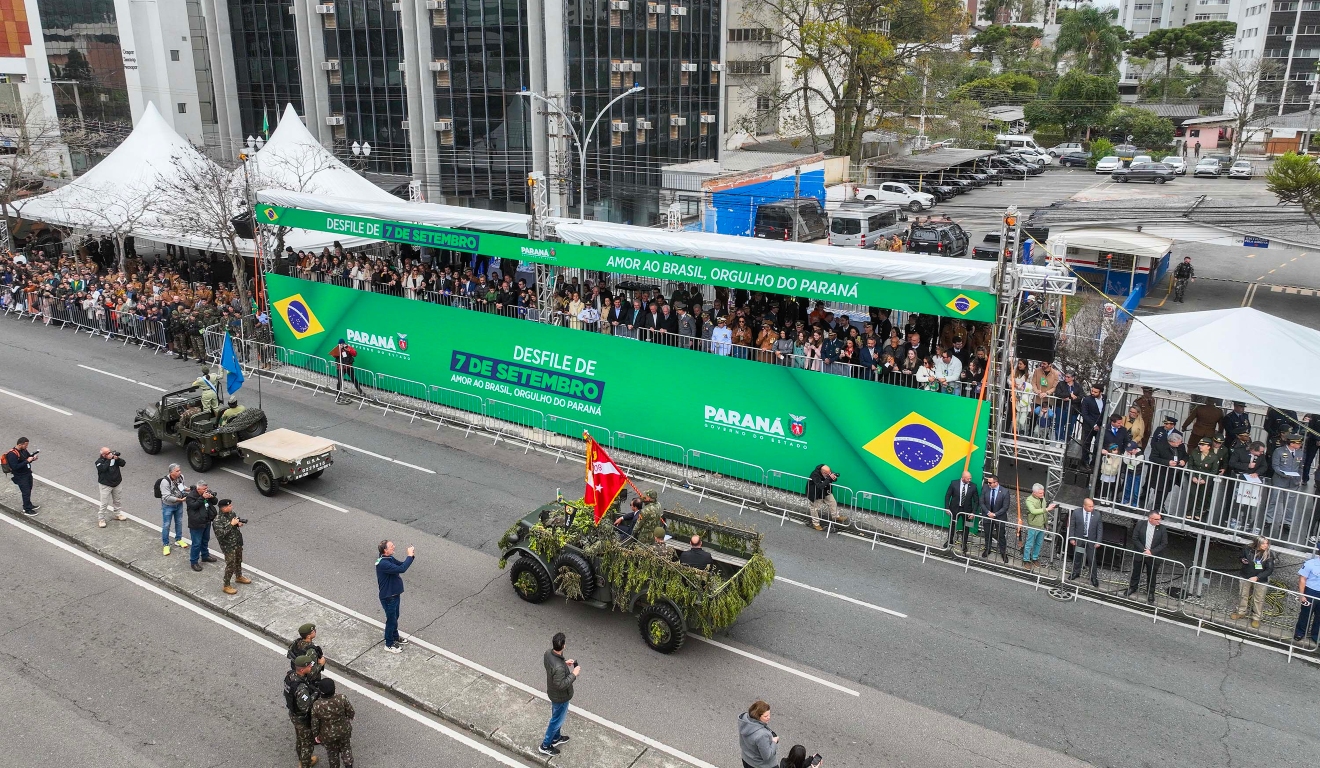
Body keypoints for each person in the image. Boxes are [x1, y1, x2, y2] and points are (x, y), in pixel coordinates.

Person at [540, 632, 579, 756]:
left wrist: (564, 663)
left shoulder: (548, 654)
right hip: (560, 697)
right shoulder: (559, 667)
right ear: (563, 646)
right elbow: (561, 685)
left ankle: (556, 738)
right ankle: (545, 745)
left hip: (553, 693)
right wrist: (574, 674)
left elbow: (553, 668)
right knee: (556, 721)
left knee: (556, 716)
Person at [376, 540, 415, 653]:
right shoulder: (383, 563)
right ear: (385, 550)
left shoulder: (389, 558)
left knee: (395, 617)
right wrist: (409, 555)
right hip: (388, 597)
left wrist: (411, 557)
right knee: (391, 620)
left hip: (394, 595)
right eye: (391, 546)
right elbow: (401, 569)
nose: (394, 547)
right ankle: (389, 644)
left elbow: (401, 565)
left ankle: (395, 636)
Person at [284, 654, 321, 768]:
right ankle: (305, 764)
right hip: (302, 719)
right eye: (309, 666)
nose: (311, 667)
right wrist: (315, 694)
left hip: (293, 714)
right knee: (307, 743)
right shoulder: (301, 688)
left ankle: (301, 757)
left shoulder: (290, 676)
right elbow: (305, 707)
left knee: (300, 738)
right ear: (302, 669)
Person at [1230, 537, 1275, 629]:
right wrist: (1242, 560)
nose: (1266, 545)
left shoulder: (1269, 554)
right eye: (1263, 543)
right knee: (1243, 595)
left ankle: (1256, 617)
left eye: (1267, 543)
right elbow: (1241, 557)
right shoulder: (1247, 548)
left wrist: (1257, 577)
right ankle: (1241, 612)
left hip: (1261, 579)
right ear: (1257, 543)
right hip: (1246, 575)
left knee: (1259, 598)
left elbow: (1269, 570)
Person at [311, 678, 355, 768]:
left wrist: (316, 735)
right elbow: (351, 712)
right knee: (346, 747)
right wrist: (349, 717)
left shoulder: (317, 705)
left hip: (327, 735)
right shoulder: (342, 698)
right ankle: (348, 764)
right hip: (344, 730)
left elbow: (315, 723)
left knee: (332, 753)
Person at [1124, 512, 1167, 603]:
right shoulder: (1140, 524)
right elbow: (1135, 538)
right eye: (1157, 519)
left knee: (1152, 575)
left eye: (1160, 519)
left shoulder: (1162, 528)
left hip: (1153, 556)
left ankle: (1150, 592)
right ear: (1150, 519)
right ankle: (1132, 587)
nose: (1159, 521)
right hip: (1141, 553)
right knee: (1136, 571)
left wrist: (1151, 552)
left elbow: (1164, 543)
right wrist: (1143, 550)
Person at [1265, 434, 1303, 536]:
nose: (1300, 445)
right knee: (1273, 500)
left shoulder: (1300, 452)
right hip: (1279, 480)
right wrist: (1284, 474)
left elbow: (1300, 467)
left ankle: (1287, 522)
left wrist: (1299, 478)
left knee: (1290, 504)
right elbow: (1275, 466)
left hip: (1292, 482)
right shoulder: (1279, 451)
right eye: (1298, 443)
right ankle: (1269, 519)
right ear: (1291, 443)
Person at [213, 498, 249, 594]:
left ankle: (239, 576)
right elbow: (220, 535)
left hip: (237, 542)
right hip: (228, 546)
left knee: (238, 560)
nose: (231, 507)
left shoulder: (231, 514)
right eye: (229, 506)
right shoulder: (217, 520)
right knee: (230, 565)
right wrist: (231, 524)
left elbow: (234, 524)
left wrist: (238, 524)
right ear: (223, 508)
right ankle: (226, 585)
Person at [1068, 498, 1103, 588]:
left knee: (1092, 559)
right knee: (1077, 556)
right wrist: (1072, 538)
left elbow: (1099, 529)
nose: (1092, 508)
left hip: (1091, 540)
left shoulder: (1097, 515)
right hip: (1079, 539)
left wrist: (1098, 541)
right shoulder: (1076, 512)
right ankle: (1076, 572)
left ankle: (1093, 577)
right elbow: (1072, 526)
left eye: (1092, 506)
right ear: (1084, 506)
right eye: (1090, 506)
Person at [185, 481, 219, 572]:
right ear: (198, 488)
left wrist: (212, 497)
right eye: (204, 489)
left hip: (206, 521)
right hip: (196, 523)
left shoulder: (206, 493)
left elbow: (215, 502)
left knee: (205, 540)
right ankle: (194, 562)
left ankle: (205, 555)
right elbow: (194, 506)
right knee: (196, 544)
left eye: (206, 488)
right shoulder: (190, 497)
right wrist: (202, 497)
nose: (206, 490)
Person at [1022, 484, 1057, 569]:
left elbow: (1044, 512)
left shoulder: (1042, 498)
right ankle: (1026, 559)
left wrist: (1046, 523)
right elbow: (1033, 511)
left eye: (1043, 493)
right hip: (1034, 525)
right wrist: (1047, 509)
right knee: (1029, 543)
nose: (1042, 495)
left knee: (1038, 543)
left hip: (1041, 525)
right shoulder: (1029, 500)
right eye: (1040, 493)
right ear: (1034, 493)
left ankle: (1034, 558)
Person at [945, 470, 980, 554]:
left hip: (967, 511)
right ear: (963, 478)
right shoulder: (954, 483)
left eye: (970, 478)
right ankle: (949, 540)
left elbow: (976, 501)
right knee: (952, 525)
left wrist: (973, 512)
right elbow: (948, 496)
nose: (970, 480)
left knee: (966, 527)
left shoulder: (973, 486)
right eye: (968, 479)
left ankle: (964, 544)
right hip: (954, 509)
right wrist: (947, 508)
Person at [1293, 545, 1320, 651]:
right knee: (1305, 613)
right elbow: (1302, 579)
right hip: (1311, 591)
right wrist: (1302, 594)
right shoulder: (1310, 563)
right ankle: (1300, 632)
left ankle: (1316, 635)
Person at [1187, 438, 1221, 521]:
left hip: (1205, 480)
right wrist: (1193, 476)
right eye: (1200, 444)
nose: (1200, 446)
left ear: (1208, 447)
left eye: (1203, 445)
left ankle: (1197, 513)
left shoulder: (1213, 457)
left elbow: (1214, 471)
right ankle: (1189, 512)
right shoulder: (1195, 453)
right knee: (1192, 495)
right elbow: (1190, 465)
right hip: (1195, 477)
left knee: (1202, 496)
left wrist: (1205, 479)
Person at [805, 464, 848, 531]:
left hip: (825, 491)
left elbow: (833, 479)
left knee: (832, 502)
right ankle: (816, 524)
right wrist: (829, 478)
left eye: (830, 472)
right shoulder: (815, 475)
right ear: (823, 472)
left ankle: (836, 516)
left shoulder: (827, 471)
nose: (829, 474)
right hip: (816, 493)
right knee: (814, 508)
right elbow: (820, 486)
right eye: (827, 474)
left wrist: (834, 478)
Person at [158, 464, 189, 555]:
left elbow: (181, 487)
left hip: (178, 505)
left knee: (179, 522)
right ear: (171, 472)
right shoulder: (165, 482)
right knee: (166, 525)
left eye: (179, 470)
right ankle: (166, 544)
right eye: (177, 471)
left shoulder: (181, 477)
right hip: (168, 506)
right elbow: (166, 497)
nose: (180, 472)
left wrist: (188, 489)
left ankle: (178, 539)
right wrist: (181, 500)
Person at [737, 700, 778, 768]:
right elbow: (767, 756)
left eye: (769, 714)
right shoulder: (762, 735)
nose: (769, 717)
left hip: (747, 759)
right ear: (757, 717)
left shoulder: (745, 721)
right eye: (765, 716)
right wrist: (774, 742)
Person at [4, 437, 39, 515]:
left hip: (27, 473)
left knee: (29, 489)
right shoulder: (12, 454)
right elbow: (15, 467)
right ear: (20, 444)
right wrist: (27, 461)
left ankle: (28, 504)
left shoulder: (24, 450)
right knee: (25, 492)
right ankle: (27, 509)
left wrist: (32, 458)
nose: (27, 447)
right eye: (25, 445)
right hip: (20, 476)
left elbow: (27, 458)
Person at [979, 474, 1009, 563]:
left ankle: (1003, 552)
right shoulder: (985, 489)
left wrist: (995, 514)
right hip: (987, 516)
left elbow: (1005, 507)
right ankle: (987, 549)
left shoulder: (1005, 491)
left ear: (996, 483)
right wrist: (988, 513)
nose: (988, 484)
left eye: (990, 483)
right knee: (987, 534)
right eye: (987, 482)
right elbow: (982, 502)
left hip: (999, 517)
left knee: (1001, 535)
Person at [94, 446, 127, 527]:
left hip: (117, 483)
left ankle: (117, 514)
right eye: (108, 453)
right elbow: (103, 469)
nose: (110, 453)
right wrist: (109, 459)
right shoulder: (99, 462)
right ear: (103, 455)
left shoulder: (114, 459)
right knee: (104, 503)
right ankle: (101, 519)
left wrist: (117, 459)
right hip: (105, 485)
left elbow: (123, 463)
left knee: (117, 500)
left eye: (110, 452)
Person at [1080, 386, 1106, 466]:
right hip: (1089, 426)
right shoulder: (1087, 400)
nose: (1093, 393)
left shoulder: (1105, 398)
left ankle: (1094, 463)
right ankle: (1085, 462)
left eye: (1095, 392)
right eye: (1092, 391)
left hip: (1101, 426)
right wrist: (1094, 425)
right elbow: (1085, 414)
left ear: (1101, 392)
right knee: (1086, 444)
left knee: (1098, 445)